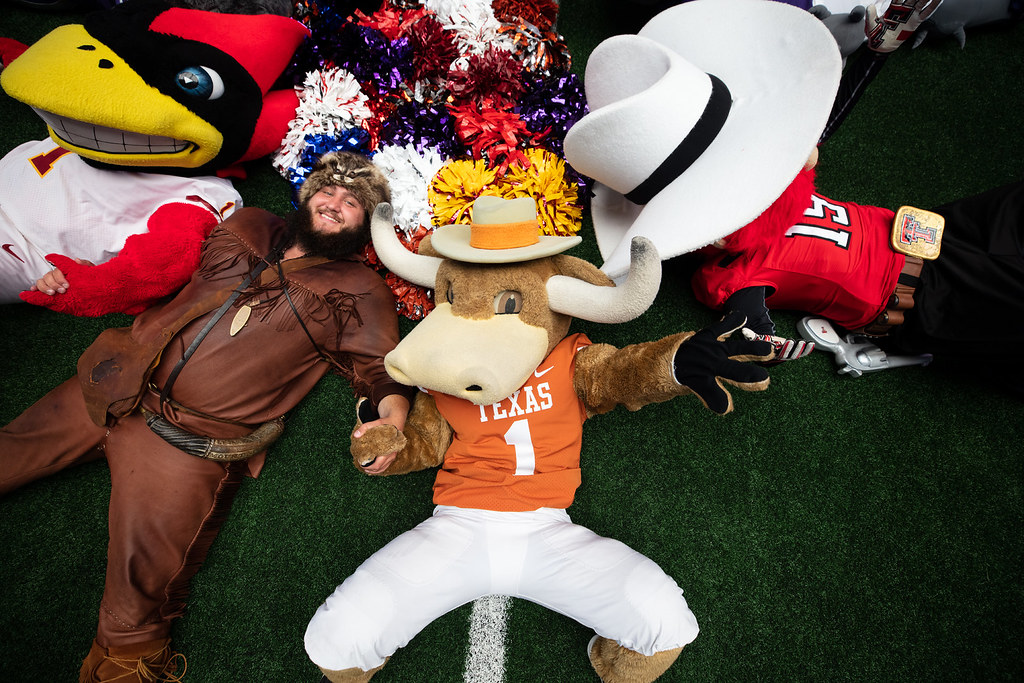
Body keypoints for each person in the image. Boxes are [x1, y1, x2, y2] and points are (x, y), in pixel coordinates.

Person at [0, 151, 415, 682]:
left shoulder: (360, 290)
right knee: (10, 449)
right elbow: (156, 254)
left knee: (135, 608)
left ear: (366, 225)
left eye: (352, 202)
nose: (335, 203)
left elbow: (382, 372)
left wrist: (390, 421)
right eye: (328, 191)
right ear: (307, 196)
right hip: (117, 378)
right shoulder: (246, 222)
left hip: (187, 443)